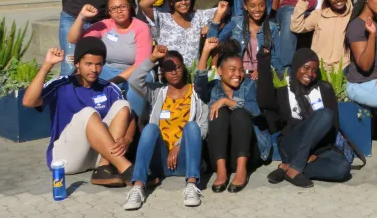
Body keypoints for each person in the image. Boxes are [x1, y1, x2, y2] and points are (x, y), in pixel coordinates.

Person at [23, 40, 135, 186]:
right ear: (77, 64)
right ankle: (126, 168)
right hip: (66, 158)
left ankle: (103, 169)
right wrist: (47, 65)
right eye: (88, 64)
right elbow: (28, 102)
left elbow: (130, 116)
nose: (94, 69)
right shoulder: (61, 85)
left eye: (98, 64)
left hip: (100, 156)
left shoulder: (109, 88)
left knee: (123, 104)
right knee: (88, 113)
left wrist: (127, 138)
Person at [124, 46, 209, 210]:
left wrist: (178, 145)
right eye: (169, 69)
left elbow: (203, 129)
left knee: (192, 126)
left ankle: (192, 185)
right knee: (150, 128)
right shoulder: (157, 92)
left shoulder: (196, 94)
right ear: (162, 72)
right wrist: (152, 58)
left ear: (183, 68)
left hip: (185, 160)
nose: (174, 72)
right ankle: (138, 187)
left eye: (178, 67)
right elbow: (134, 81)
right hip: (160, 162)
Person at [258, 49, 353, 188]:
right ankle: (297, 166)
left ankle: (289, 168)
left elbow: (334, 125)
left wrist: (315, 153)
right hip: (292, 144)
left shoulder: (324, 90)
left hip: (318, 149)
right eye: (306, 68)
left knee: (343, 168)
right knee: (324, 114)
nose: (310, 74)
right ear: (296, 66)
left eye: (314, 70)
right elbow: (264, 101)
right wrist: (264, 63)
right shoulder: (284, 93)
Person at [194, 38, 262, 193]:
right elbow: (198, 83)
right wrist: (205, 52)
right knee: (219, 114)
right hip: (219, 153)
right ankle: (221, 171)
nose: (238, 74)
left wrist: (228, 101)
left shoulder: (249, 84)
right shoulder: (212, 89)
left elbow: (256, 110)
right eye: (232, 69)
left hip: (246, 153)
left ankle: (241, 171)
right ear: (219, 71)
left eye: (240, 69)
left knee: (239, 113)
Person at [67, 0, 152, 116]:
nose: (119, 11)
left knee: (135, 87)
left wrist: (112, 82)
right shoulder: (105, 25)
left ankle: (135, 122)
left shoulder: (141, 27)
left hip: (136, 71)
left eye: (123, 6)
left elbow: (141, 64)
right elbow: (73, 39)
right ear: (109, 12)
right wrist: (82, 16)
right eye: (114, 8)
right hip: (109, 69)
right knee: (82, 80)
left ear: (130, 7)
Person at [139, 0, 226, 66]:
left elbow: (222, 10)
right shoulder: (163, 18)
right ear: (171, 2)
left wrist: (208, 25)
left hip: (193, 74)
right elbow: (143, 4)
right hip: (170, 73)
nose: (183, 2)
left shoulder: (197, 17)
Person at [208, 0, 280, 78]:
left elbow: (277, 57)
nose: (257, 9)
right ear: (245, 6)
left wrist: (264, 69)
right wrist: (219, 14)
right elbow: (213, 41)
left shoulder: (272, 28)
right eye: (252, 6)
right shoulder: (236, 23)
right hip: (237, 75)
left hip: (262, 76)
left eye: (261, 5)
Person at [290, 0, 353, 71]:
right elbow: (296, 27)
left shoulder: (353, 16)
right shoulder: (318, 15)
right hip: (320, 67)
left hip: (344, 68)